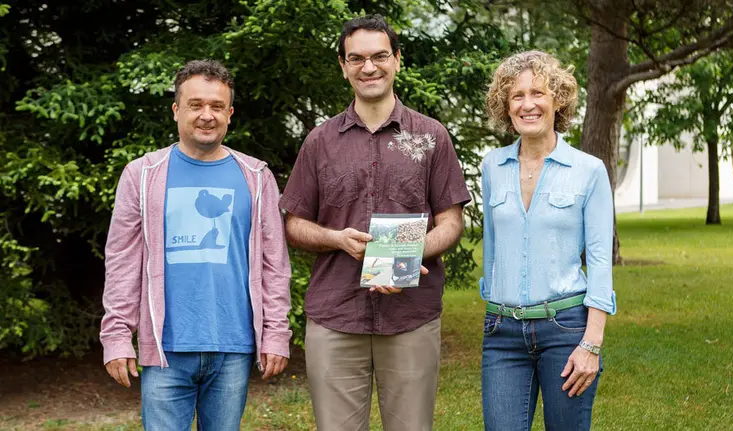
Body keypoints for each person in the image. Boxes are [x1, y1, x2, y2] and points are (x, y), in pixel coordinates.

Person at [279, 14, 471, 431]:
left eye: (380, 55)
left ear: (398, 60)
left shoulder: (431, 135)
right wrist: (335, 239)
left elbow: (452, 222)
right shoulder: (319, 141)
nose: (369, 67)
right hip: (336, 315)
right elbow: (293, 224)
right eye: (357, 58)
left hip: (410, 316)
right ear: (343, 66)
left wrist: (409, 253)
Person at [100, 59, 291, 430]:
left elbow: (274, 264)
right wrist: (117, 336)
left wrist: (276, 334)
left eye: (217, 106)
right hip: (165, 349)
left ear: (230, 113)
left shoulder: (256, 177)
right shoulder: (141, 176)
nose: (207, 115)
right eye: (196, 105)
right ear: (176, 110)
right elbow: (122, 261)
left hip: (233, 348)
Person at [480, 50, 617, 431]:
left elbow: (601, 260)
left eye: (538, 93)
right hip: (501, 333)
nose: (528, 105)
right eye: (517, 96)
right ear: (505, 107)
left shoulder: (589, 171)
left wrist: (592, 343)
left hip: (567, 330)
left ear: (557, 99)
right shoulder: (492, 167)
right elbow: (491, 248)